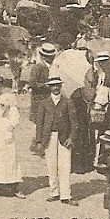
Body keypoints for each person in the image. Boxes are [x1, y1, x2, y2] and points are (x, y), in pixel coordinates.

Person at [33, 76, 78, 205]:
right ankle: (54, 192)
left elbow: (74, 122)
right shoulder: (44, 103)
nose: (56, 88)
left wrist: (71, 137)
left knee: (65, 166)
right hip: (49, 137)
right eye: (53, 86)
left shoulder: (68, 102)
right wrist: (39, 141)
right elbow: (39, 123)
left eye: (58, 85)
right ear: (49, 87)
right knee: (51, 165)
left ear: (61, 86)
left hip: (64, 138)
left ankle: (66, 195)